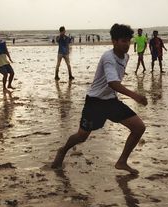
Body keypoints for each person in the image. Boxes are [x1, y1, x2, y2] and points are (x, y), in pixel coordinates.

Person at [51, 24, 148, 174]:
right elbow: (113, 83)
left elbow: (115, 80)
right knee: (81, 137)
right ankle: (62, 151)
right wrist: (135, 96)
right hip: (95, 102)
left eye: (129, 41)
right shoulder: (108, 57)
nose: (127, 44)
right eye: (123, 41)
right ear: (114, 41)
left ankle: (122, 162)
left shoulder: (126, 56)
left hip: (111, 101)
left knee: (139, 127)